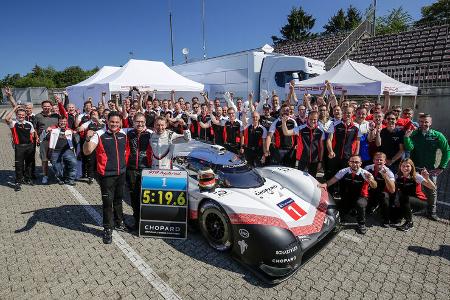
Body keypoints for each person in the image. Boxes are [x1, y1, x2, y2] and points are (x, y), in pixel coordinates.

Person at [83, 111, 128, 244]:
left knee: (119, 200)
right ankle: (108, 228)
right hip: (106, 175)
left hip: (121, 173)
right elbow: (87, 151)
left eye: (117, 122)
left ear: (120, 122)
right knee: (108, 203)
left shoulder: (123, 133)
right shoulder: (99, 134)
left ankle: (119, 222)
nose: (114, 124)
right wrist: (87, 138)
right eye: (112, 121)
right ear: (107, 121)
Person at [404, 114, 450, 221]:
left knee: (431, 190)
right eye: (421, 122)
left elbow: (446, 151)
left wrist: (441, 167)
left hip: (428, 169)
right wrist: (406, 137)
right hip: (413, 168)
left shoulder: (437, 135)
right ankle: (411, 208)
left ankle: (431, 212)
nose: (423, 124)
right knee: (410, 189)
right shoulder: (414, 134)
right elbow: (409, 147)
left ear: (431, 122)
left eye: (426, 122)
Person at [320, 155, 377, 234]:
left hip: (361, 197)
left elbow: (374, 186)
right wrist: (324, 185)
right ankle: (344, 216)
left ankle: (361, 224)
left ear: (360, 163)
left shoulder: (365, 173)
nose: (354, 164)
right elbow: (333, 180)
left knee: (360, 204)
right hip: (347, 196)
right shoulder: (343, 171)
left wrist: (370, 180)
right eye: (352, 162)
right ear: (349, 163)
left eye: (356, 162)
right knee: (340, 208)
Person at [124, 113, 153, 231]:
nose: (140, 124)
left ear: (145, 122)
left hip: (146, 169)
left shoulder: (151, 134)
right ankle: (137, 222)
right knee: (134, 196)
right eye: (137, 122)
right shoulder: (128, 133)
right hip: (131, 169)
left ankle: (147, 222)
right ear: (133, 122)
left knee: (146, 197)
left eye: (142, 122)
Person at [395, 159, 436, 231]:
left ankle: (409, 223)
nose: (405, 168)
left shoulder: (416, 176)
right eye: (403, 166)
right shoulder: (397, 176)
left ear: (412, 167)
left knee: (404, 198)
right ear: (400, 167)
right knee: (394, 219)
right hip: (406, 201)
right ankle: (405, 212)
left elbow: (433, 187)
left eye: (407, 166)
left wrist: (427, 178)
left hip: (420, 201)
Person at [282, 111, 324, 177]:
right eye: (311, 119)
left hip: (314, 161)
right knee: (301, 179)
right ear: (307, 118)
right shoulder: (301, 128)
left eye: (315, 119)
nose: (313, 121)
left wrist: (320, 161)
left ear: (317, 119)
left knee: (312, 180)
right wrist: (284, 122)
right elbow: (286, 133)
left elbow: (321, 148)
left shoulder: (320, 131)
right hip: (302, 160)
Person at [4, 106, 36, 191]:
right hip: (19, 147)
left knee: (29, 164)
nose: (21, 116)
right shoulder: (14, 123)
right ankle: (18, 182)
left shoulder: (29, 124)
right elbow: (7, 118)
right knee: (19, 165)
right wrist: (15, 108)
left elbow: (32, 134)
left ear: (25, 115)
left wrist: (32, 145)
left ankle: (27, 179)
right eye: (19, 115)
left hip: (29, 146)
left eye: (23, 115)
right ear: (17, 115)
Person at [34, 99, 65, 184]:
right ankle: (45, 176)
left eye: (48, 106)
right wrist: (36, 137)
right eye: (45, 106)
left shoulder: (56, 116)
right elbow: (35, 129)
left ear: (51, 107)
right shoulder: (38, 116)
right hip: (44, 141)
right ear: (42, 107)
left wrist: (60, 103)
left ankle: (58, 175)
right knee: (44, 160)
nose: (46, 108)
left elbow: (63, 118)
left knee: (57, 159)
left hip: (55, 141)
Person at [364, 152, 396, 226]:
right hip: (371, 190)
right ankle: (371, 206)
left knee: (385, 197)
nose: (378, 161)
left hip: (382, 192)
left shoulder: (389, 172)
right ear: (373, 160)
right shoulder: (367, 168)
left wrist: (385, 177)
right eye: (377, 159)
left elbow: (392, 190)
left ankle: (386, 219)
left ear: (385, 162)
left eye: (381, 160)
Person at [45, 116, 78, 185]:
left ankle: (70, 179)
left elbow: (74, 142)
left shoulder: (70, 131)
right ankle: (60, 178)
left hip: (67, 151)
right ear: (58, 122)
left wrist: (74, 151)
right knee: (57, 167)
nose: (63, 123)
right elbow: (43, 138)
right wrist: (46, 131)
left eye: (64, 121)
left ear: (66, 122)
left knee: (73, 163)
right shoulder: (53, 130)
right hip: (55, 151)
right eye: (61, 121)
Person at [77, 110, 105, 184]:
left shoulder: (103, 121)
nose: (94, 115)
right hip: (91, 144)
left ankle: (100, 175)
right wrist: (81, 128)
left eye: (95, 114)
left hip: (102, 145)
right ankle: (91, 177)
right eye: (92, 114)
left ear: (99, 115)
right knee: (91, 161)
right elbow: (80, 128)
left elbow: (105, 127)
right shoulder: (88, 123)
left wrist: (98, 120)